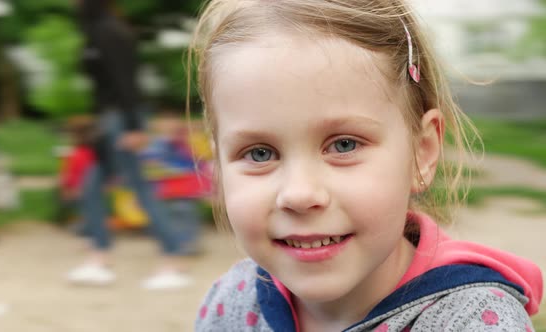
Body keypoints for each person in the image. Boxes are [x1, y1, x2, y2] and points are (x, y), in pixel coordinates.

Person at [189, 0, 543, 331]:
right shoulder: (231, 303)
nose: (299, 194)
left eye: (344, 145)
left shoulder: (475, 323)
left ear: (422, 152)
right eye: (260, 154)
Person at [66, 0, 172, 285]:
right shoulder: (96, 30)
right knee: (90, 187)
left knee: (138, 187)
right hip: (108, 120)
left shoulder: (110, 31)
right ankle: (99, 257)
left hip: (121, 119)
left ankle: (172, 258)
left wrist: (134, 127)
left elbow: (126, 80)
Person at [138, 111, 211, 290]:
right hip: (166, 189)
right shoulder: (157, 146)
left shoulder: (181, 145)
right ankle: (178, 248)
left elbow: (195, 162)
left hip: (180, 189)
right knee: (174, 217)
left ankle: (183, 246)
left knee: (184, 214)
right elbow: (151, 166)